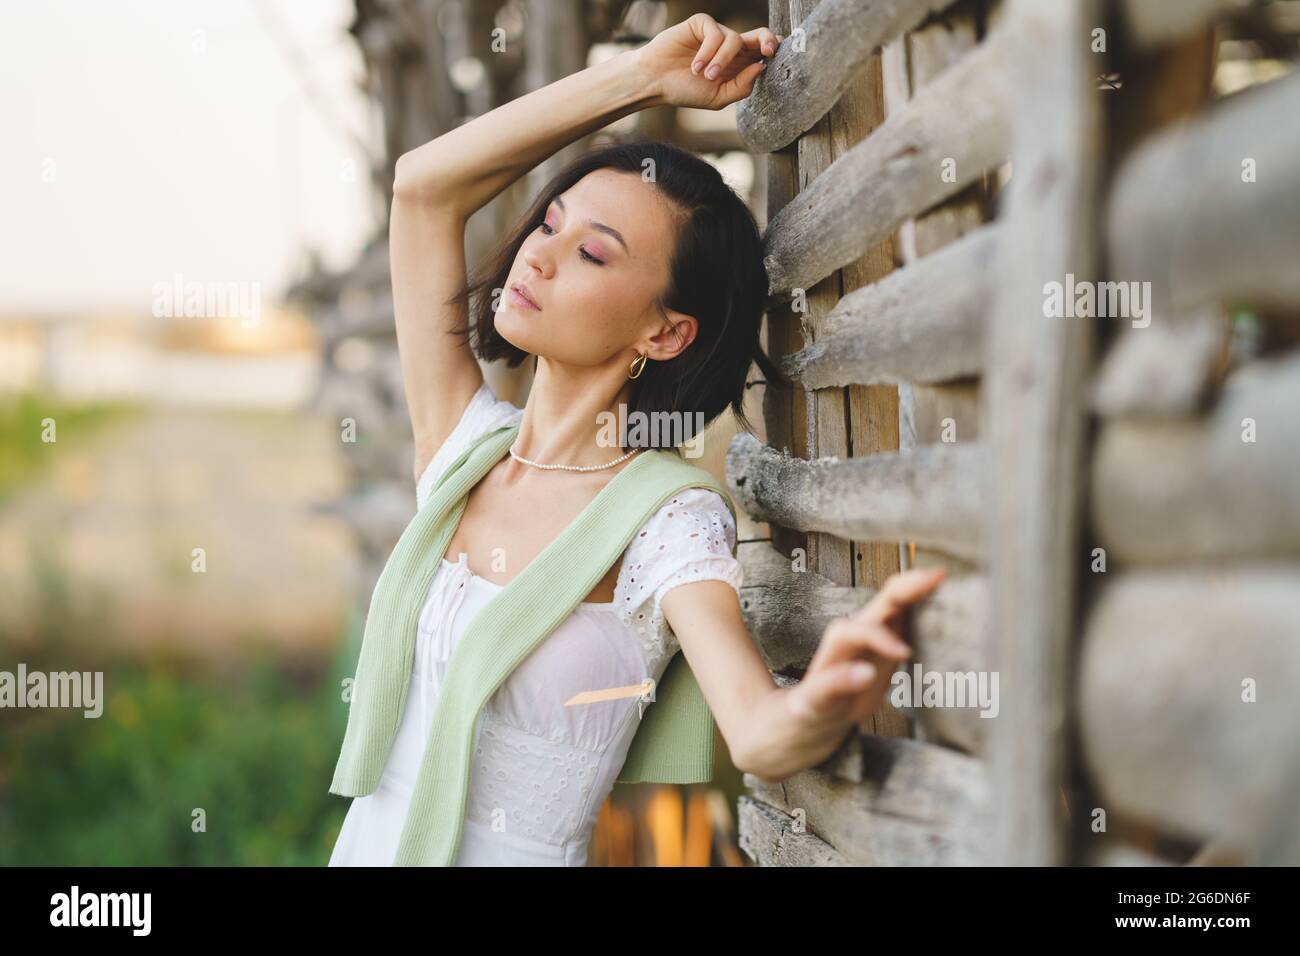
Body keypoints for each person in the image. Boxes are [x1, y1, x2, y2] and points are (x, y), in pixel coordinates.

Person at [328, 12, 947, 867]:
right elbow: (423, 189)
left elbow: (757, 729)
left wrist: (823, 699)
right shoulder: (466, 451)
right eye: (550, 225)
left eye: (594, 254)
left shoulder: (665, 521)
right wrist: (642, 79)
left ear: (665, 334)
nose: (538, 258)